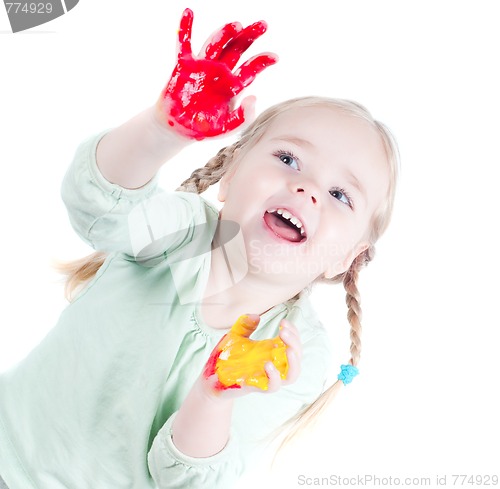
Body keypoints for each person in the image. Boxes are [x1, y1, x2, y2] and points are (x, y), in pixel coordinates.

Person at [0, 8, 398, 489]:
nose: (307, 189)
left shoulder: (297, 354)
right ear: (229, 175)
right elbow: (97, 205)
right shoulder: (182, 235)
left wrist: (216, 397)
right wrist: (160, 130)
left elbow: (181, 478)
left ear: (347, 259)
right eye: (288, 158)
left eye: (340, 196)